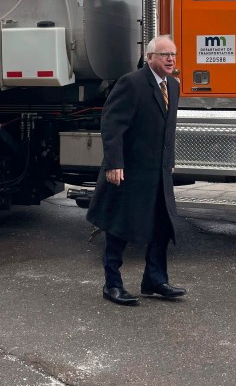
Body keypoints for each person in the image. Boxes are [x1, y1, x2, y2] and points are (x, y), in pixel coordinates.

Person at [86, 34, 185, 306]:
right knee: (120, 227)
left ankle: (154, 279)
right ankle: (112, 284)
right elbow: (112, 125)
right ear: (150, 57)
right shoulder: (132, 83)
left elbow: (168, 130)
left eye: (173, 54)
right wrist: (114, 163)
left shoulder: (173, 86)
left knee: (162, 226)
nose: (170, 59)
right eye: (164, 54)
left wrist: (170, 160)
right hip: (130, 172)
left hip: (158, 173)